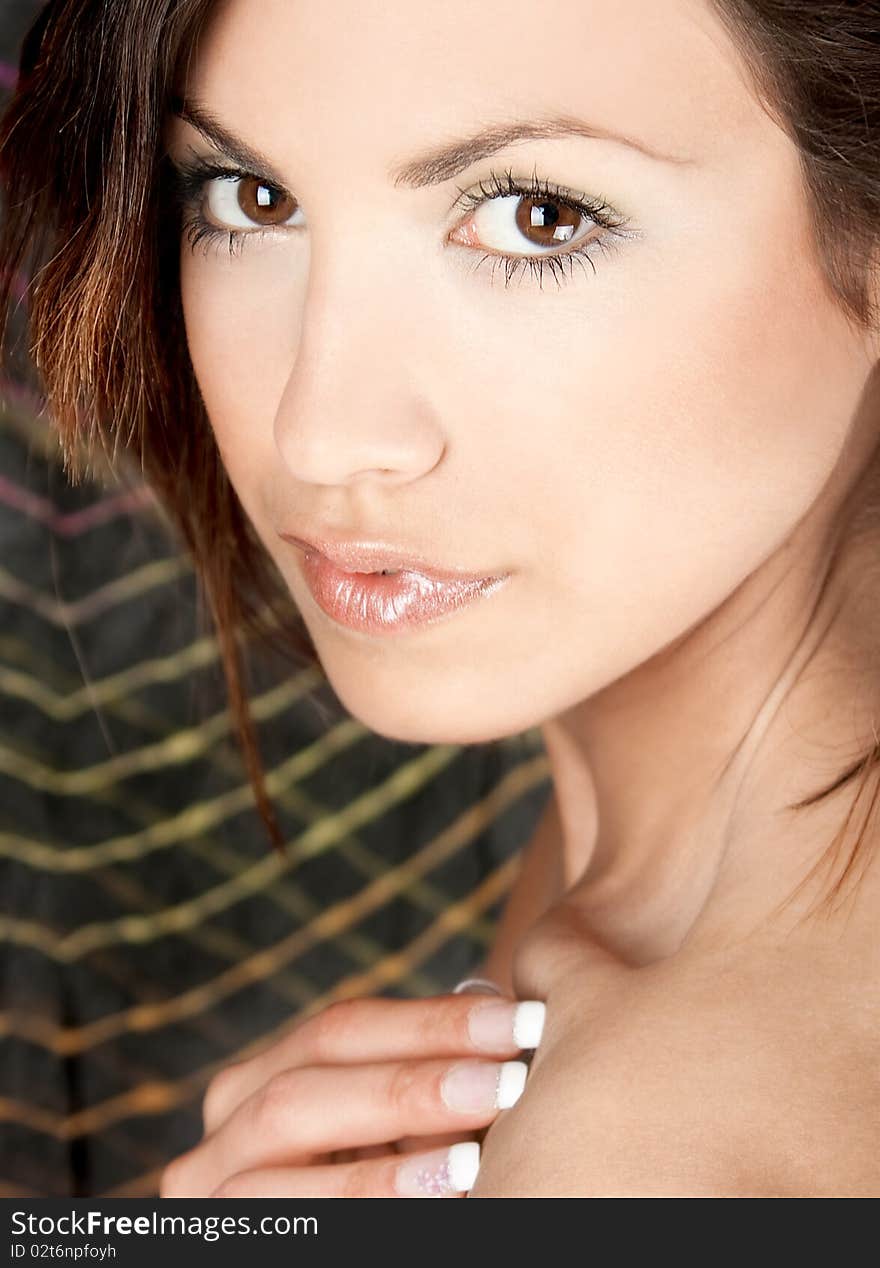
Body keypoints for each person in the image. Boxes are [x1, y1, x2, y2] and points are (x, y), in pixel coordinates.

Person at [1, 0, 878, 1198]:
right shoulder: (653, 842)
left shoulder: (646, 1156)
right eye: (247, 198)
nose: (321, 432)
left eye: (537, 216)